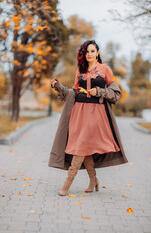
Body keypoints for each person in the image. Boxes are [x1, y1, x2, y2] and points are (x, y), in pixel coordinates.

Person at [49, 40, 128, 196]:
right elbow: (73, 92)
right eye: (86, 52)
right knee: (85, 147)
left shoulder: (105, 69)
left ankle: (68, 182)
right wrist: (58, 86)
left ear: (97, 52)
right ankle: (93, 180)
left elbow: (115, 94)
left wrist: (99, 91)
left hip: (96, 114)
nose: (89, 54)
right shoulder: (80, 70)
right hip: (79, 112)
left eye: (92, 51)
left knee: (81, 145)